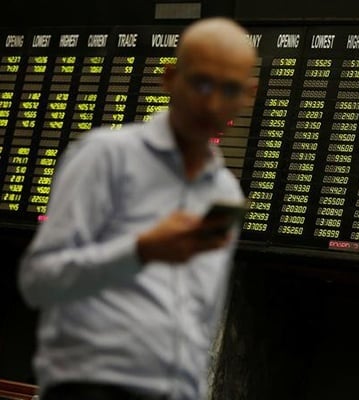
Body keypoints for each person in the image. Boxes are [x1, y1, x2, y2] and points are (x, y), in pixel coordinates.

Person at [18, 17, 257, 400]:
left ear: (248, 95)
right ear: (169, 78)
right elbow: (38, 280)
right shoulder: (106, 157)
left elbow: (201, 317)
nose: (212, 103)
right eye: (201, 83)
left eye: (229, 89)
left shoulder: (224, 191)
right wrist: (140, 250)